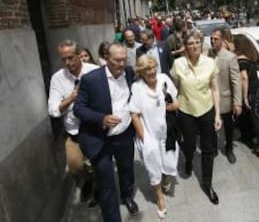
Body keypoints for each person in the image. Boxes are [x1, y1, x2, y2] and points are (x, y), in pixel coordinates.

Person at [74, 43, 138, 222]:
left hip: (124, 135)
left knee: (127, 170)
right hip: (100, 138)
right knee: (106, 182)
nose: (121, 64)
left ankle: (127, 196)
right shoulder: (91, 79)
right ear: (107, 59)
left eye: (124, 59)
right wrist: (101, 118)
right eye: (117, 60)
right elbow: (78, 109)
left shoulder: (130, 73)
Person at [170, 31, 222, 205]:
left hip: (206, 110)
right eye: (190, 43)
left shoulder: (210, 63)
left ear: (201, 44)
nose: (194, 46)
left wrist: (217, 114)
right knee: (190, 145)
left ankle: (207, 184)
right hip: (187, 111)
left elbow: (215, 89)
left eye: (197, 42)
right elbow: (175, 87)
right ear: (185, 46)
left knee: (208, 149)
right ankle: (189, 159)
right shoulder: (178, 64)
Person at [48, 40, 99, 207]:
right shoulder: (57, 78)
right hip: (73, 131)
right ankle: (89, 180)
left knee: (99, 162)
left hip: (94, 129)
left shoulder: (95, 71)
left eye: (71, 57)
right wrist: (71, 98)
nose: (68, 62)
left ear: (79, 55)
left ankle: (99, 189)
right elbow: (54, 110)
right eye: (63, 59)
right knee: (75, 166)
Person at [129, 55, 179, 219]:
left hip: (166, 131)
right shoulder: (137, 87)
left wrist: (173, 105)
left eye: (152, 67)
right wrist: (145, 139)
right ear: (140, 72)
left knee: (168, 161)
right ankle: (159, 198)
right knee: (153, 167)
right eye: (146, 69)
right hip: (149, 134)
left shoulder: (164, 79)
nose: (151, 72)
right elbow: (134, 114)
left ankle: (165, 177)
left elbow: (176, 100)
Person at [209, 28, 242, 163]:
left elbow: (236, 81)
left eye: (215, 39)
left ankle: (229, 148)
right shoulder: (207, 55)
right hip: (210, 98)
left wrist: (237, 102)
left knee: (228, 127)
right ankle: (214, 148)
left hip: (226, 99)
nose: (212, 41)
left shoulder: (230, 57)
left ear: (222, 40)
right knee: (211, 126)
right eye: (211, 38)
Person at [233, 35, 259, 159]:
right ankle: (256, 139)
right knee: (258, 115)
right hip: (256, 87)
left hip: (249, 91)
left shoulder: (241, 60)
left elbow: (244, 78)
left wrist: (245, 97)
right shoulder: (252, 56)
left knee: (254, 116)